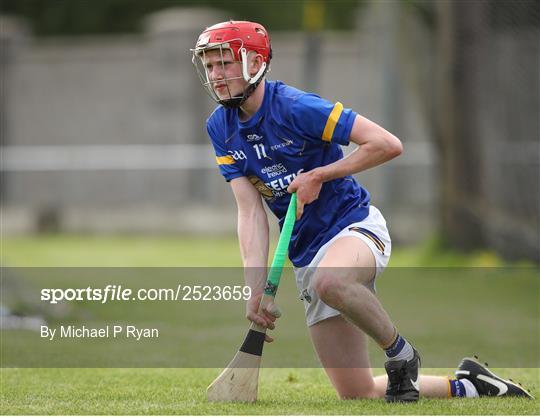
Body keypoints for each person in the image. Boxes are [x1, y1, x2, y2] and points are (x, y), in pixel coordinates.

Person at [191, 20, 533, 402]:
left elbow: (386, 143)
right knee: (357, 392)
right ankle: (470, 384)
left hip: (353, 228)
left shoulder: (296, 107)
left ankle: (402, 354)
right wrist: (254, 288)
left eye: (225, 63)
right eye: (209, 66)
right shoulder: (220, 127)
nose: (216, 75)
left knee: (330, 280)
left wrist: (321, 173)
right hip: (308, 255)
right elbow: (250, 213)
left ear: (255, 63)